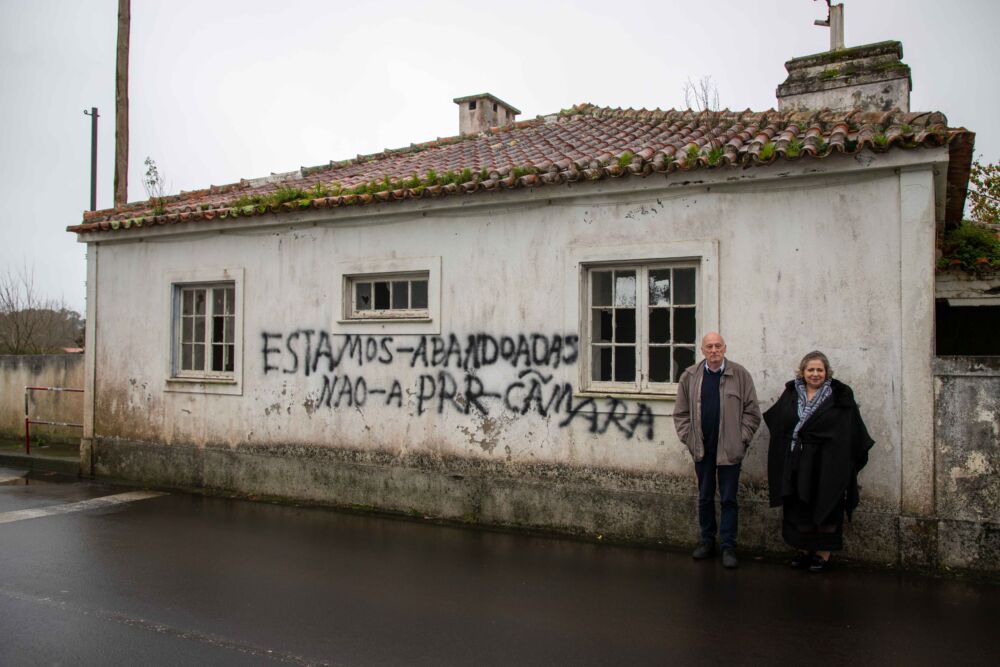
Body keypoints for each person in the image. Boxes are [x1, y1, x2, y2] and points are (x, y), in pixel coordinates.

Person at [763, 351, 874, 573]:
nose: (815, 374)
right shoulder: (792, 393)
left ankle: (823, 553)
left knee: (826, 504)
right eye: (810, 369)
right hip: (797, 461)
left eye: (819, 370)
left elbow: (849, 430)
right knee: (798, 504)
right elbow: (779, 421)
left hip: (826, 464)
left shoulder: (839, 396)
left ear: (826, 372)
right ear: (803, 372)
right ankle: (804, 550)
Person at [673, 332, 761, 569]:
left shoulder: (739, 375)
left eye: (718, 346)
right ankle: (706, 541)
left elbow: (752, 412)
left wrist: (741, 439)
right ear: (702, 350)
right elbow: (680, 414)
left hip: (730, 450)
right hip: (702, 449)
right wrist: (689, 439)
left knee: (729, 499)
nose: (714, 350)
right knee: (704, 497)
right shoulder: (690, 376)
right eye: (709, 346)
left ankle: (729, 546)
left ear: (725, 348)